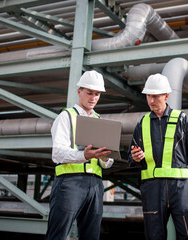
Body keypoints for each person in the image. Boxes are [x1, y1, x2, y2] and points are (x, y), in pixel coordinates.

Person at [128, 73, 188, 240]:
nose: (151, 101)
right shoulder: (141, 123)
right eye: (149, 96)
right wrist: (135, 157)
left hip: (180, 188)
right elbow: (131, 155)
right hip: (152, 189)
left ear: (166, 96)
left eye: (155, 96)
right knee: (154, 235)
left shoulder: (182, 119)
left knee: (186, 234)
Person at [45, 70, 114, 240]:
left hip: (96, 184)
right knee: (58, 234)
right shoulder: (65, 117)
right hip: (69, 183)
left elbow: (107, 163)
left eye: (97, 94)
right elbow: (57, 153)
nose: (93, 98)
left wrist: (105, 158)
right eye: (89, 93)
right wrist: (85, 155)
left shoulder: (100, 120)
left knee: (91, 236)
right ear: (79, 92)